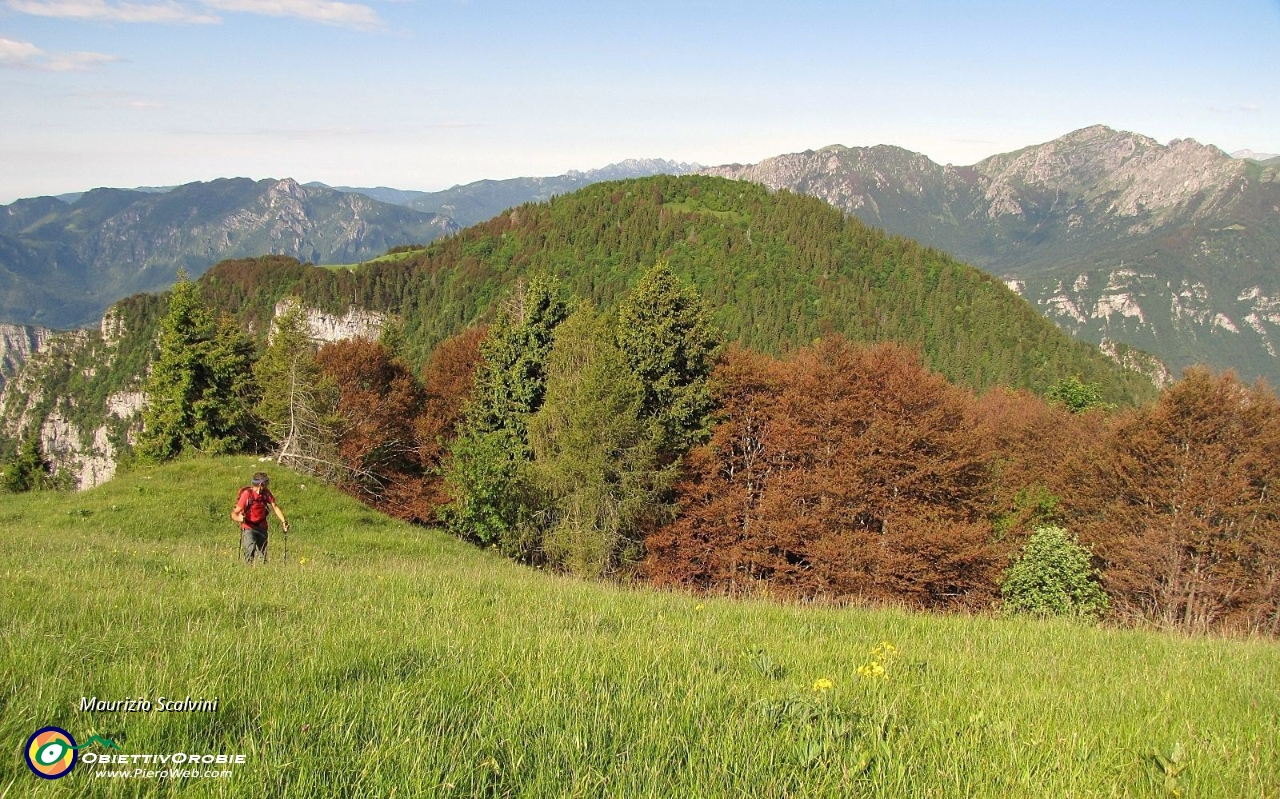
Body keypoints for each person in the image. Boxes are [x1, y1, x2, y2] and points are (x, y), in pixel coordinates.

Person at [232, 472, 289, 563]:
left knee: (263, 551)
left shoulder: (266, 493)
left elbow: (275, 507)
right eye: (267, 483)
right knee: (250, 549)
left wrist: (283, 521)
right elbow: (234, 513)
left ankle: (263, 570)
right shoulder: (247, 494)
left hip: (262, 526)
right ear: (261, 484)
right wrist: (239, 518)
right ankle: (248, 569)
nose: (268, 485)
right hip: (248, 527)